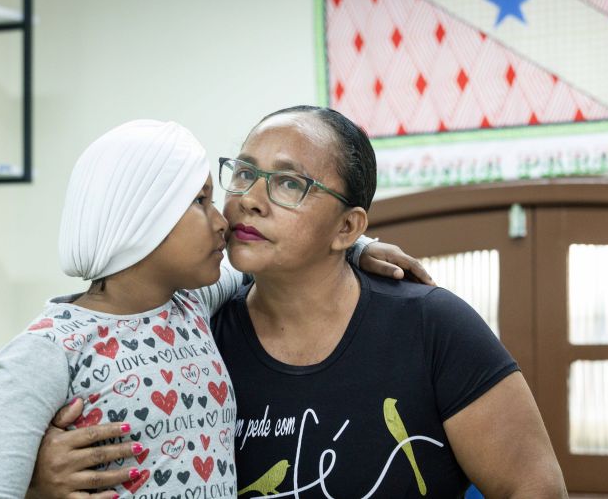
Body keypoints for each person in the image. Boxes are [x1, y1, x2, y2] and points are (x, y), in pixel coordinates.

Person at [29, 107, 563, 498]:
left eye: (288, 183)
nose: (250, 200)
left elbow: (534, 489)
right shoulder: (189, 331)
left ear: (347, 226)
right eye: (243, 172)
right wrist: (38, 482)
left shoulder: (432, 325)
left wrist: (359, 248)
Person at [0, 118, 427, 499]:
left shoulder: (192, 306)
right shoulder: (47, 351)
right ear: (144, 221)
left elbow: (282, 255)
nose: (224, 219)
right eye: (201, 201)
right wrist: (38, 488)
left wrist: (353, 245)